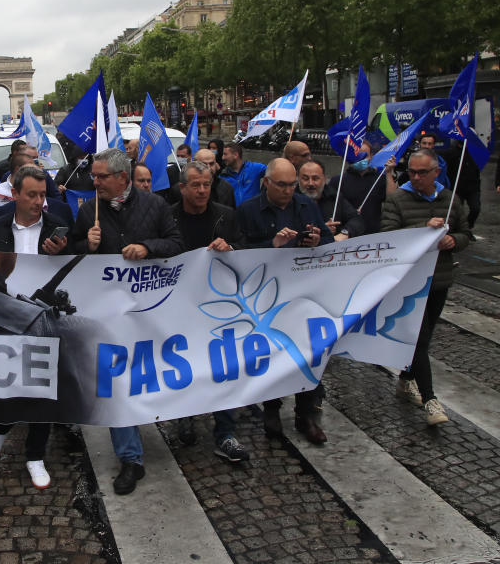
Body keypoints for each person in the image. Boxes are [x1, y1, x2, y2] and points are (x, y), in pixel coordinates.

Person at [69, 148, 184, 495]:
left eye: (102, 176)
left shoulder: (155, 205)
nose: (95, 181)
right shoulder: (89, 210)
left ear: (123, 177)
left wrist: (147, 248)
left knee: (155, 374)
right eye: (95, 176)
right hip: (108, 316)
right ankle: (130, 457)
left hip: (151, 312)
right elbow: (70, 255)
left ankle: (182, 420)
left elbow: (178, 244)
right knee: (115, 382)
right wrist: (83, 245)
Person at [0, 165, 69, 489]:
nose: (38, 201)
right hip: (8, 317)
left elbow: (82, 264)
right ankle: (1, 428)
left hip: (46, 319)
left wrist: (66, 251)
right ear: (15, 194)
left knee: (44, 389)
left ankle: (35, 455)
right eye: (31, 194)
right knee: (8, 380)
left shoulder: (60, 225)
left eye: (43, 195)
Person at [237, 159, 334, 444]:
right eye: (282, 185)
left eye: (292, 184)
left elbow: (329, 241)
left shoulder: (306, 206)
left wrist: (318, 241)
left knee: (308, 352)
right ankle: (271, 408)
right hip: (266, 297)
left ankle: (306, 414)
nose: (288, 190)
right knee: (272, 353)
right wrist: (272, 246)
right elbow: (238, 252)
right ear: (266, 182)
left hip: (303, 293)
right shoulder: (247, 211)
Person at [381, 148, 472, 425]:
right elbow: (389, 236)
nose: (416, 177)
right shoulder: (397, 199)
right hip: (410, 282)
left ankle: (406, 378)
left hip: (440, 278)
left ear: (436, 172)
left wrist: (454, 240)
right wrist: (424, 227)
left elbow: (466, 232)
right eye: (412, 172)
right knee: (418, 337)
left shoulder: (450, 199)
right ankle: (430, 399)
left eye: (423, 172)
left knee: (426, 334)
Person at [171, 161, 249, 462]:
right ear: (183, 188)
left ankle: (225, 432)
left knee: (224, 367)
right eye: (196, 185)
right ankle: (185, 415)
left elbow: (244, 248)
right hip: (180, 306)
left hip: (220, 307)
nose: (202, 190)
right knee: (186, 365)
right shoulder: (169, 217)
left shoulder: (226, 216)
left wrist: (231, 247)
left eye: (206, 184)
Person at [327, 142, 397, 234]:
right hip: (345, 233)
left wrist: (388, 173)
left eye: (364, 156)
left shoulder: (380, 179)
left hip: (372, 233)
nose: (360, 159)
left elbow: (392, 199)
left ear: (371, 156)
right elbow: (330, 207)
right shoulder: (338, 181)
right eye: (357, 156)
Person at [298, 160, 364, 241]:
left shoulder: (334, 197)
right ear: (298, 179)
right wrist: (323, 230)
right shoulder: (290, 199)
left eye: (315, 178)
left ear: (324, 179)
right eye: (305, 179)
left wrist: (344, 233)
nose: (310, 183)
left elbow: (356, 220)